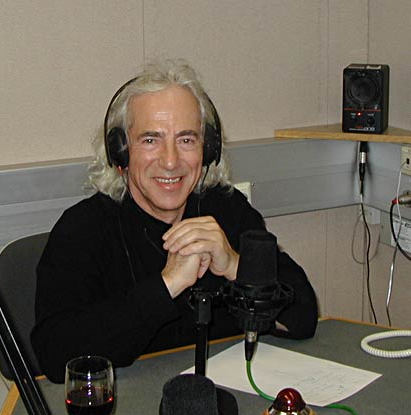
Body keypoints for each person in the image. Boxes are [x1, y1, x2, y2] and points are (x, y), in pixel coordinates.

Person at [31, 59, 318, 383]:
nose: (170, 161)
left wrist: (236, 266)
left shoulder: (228, 210)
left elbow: (303, 316)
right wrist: (167, 285)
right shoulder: (83, 228)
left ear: (207, 149)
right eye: (150, 140)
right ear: (120, 152)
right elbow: (56, 355)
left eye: (186, 140)